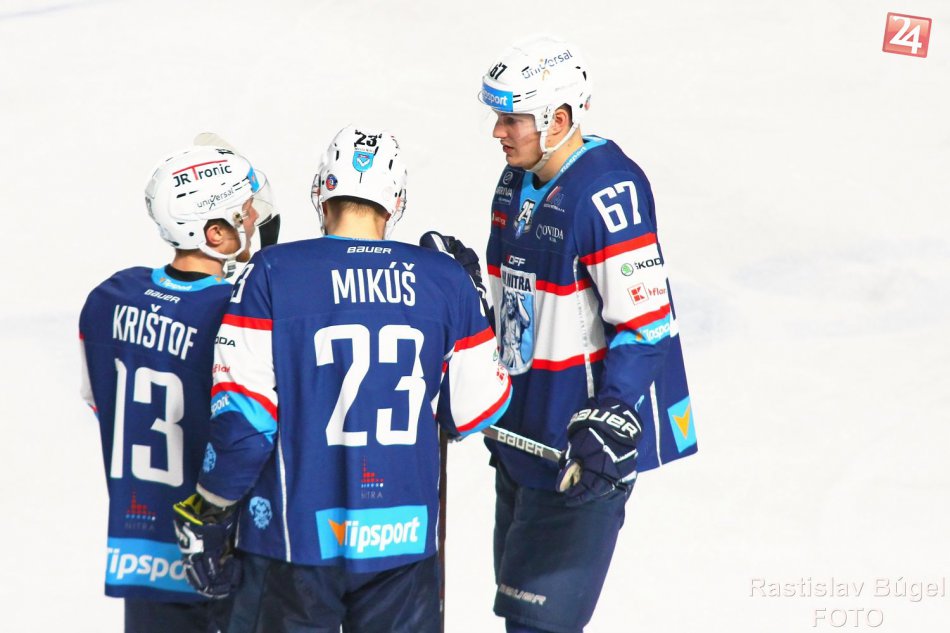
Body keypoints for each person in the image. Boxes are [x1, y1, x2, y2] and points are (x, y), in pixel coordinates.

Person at [172, 125, 513, 633]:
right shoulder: (443, 279)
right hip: (404, 550)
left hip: (292, 548)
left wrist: (210, 507)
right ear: (396, 203)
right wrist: (474, 299)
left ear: (320, 192)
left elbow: (245, 424)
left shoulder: (272, 271)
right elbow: (474, 411)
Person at [471, 35, 698, 633]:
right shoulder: (513, 183)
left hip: (580, 455)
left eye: (512, 119)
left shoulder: (607, 190)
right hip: (520, 446)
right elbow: (523, 313)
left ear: (558, 118)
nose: (498, 132)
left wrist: (612, 415)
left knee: (538, 629)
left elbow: (647, 323)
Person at [79, 143, 278, 632]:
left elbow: (100, 401)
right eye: (244, 211)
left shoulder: (109, 298)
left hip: (142, 553)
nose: (255, 218)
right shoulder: (235, 311)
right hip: (219, 551)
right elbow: (258, 425)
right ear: (215, 233)